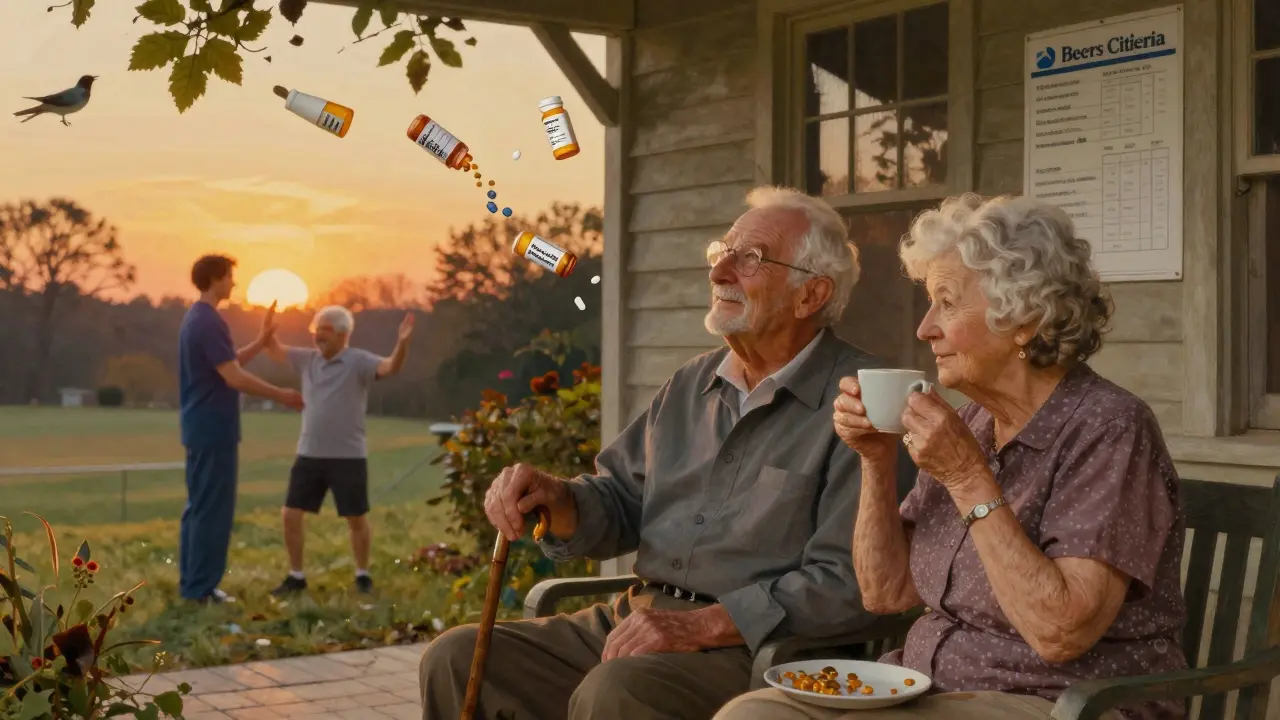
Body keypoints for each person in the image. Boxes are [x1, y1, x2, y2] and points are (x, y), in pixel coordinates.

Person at [417, 186, 917, 720]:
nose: (719, 271)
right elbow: (618, 500)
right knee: (457, 656)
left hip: (757, 651)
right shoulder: (689, 384)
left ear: (810, 296)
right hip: (636, 621)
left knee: (615, 691)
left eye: (748, 259)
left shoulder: (863, 403)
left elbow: (848, 582)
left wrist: (704, 624)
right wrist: (557, 499)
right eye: (721, 250)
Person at [715, 193, 1189, 720]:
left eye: (946, 301)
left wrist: (967, 476)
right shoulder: (973, 425)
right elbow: (886, 592)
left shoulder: (1108, 428)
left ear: (1024, 317)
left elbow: (1061, 632)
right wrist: (876, 459)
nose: (925, 328)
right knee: (753, 714)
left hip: (1059, 701)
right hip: (927, 692)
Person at [178, 255, 304, 604]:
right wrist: (281, 394)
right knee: (212, 510)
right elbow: (233, 377)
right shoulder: (209, 322)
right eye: (231, 277)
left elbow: (227, 365)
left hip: (200, 427)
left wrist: (262, 342)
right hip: (213, 428)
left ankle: (193, 585)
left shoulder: (196, 318)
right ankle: (200, 590)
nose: (234, 283)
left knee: (199, 507)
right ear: (216, 278)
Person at [264, 305, 414, 595]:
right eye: (316, 330)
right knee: (290, 515)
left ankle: (362, 574)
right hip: (309, 453)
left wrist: (403, 343)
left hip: (348, 456)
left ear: (343, 334)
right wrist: (266, 327)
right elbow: (274, 349)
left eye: (325, 330)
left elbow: (390, 367)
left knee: (355, 518)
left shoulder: (358, 361)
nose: (318, 336)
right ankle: (296, 576)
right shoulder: (307, 360)